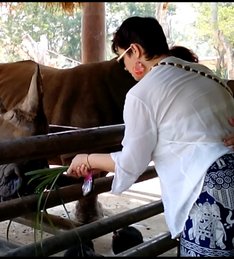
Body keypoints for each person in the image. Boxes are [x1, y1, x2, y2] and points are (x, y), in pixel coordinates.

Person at [66, 16, 234, 257]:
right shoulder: (207, 75)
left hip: (207, 190)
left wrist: (87, 158)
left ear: (135, 50)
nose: (123, 67)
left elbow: (131, 163)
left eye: (122, 58)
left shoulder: (142, 93)